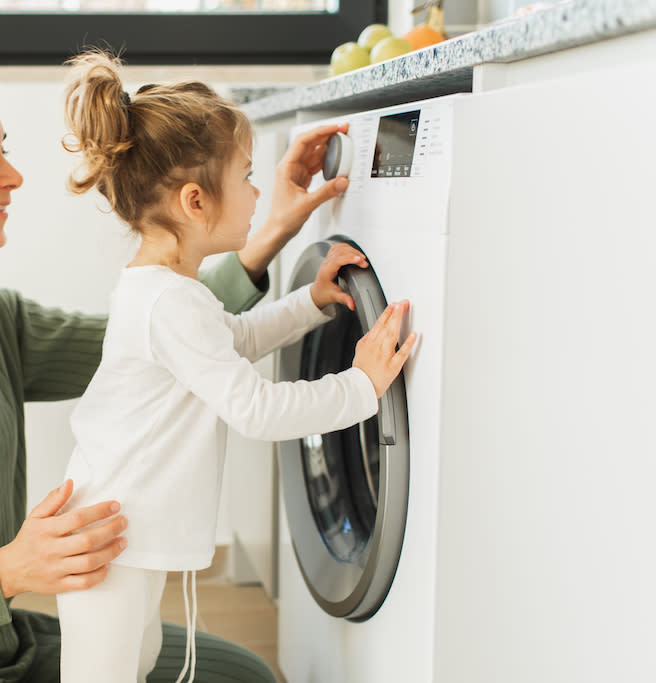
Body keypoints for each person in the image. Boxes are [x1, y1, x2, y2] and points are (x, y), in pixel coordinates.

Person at [0, 20, 359, 683]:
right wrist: (7, 570)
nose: (13, 174)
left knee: (241, 676)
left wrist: (265, 229)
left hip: (3, 643)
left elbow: (155, 342)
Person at [54, 52, 416, 683]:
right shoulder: (167, 301)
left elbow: (237, 337)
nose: (257, 192)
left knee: (129, 668)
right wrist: (360, 386)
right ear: (195, 202)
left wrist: (309, 303)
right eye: (247, 177)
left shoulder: (168, 290)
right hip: (102, 546)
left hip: (115, 536)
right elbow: (257, 409)